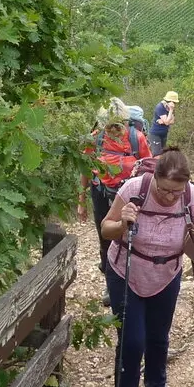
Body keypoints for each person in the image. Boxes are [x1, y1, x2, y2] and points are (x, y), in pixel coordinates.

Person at [100, 147, 194, 387]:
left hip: (167, 274)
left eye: (176, 191)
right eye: (164, 189)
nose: (169, 197)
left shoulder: (191, 196)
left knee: (158, 336)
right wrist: (123, 224)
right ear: (154, 177)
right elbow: (105, 229)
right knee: (132, 341)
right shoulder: (135, 189)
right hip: (126, 271)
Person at [78, 98, 152, 304]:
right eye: (109, 125)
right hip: (101, 192)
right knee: (105, 236)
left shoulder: (136, 138)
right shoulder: (95, 138)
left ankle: (134, 280)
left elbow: (148, 167)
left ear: (125, 121)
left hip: (129, 194)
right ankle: (111, 284)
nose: (113, 130)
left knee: (131, 236)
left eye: (118, 125)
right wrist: (81, 200)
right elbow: (85, 168)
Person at [149, 91, 179, 156]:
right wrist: (171, 111)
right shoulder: (160, 107)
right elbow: (167, 122)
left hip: (164, 134)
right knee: (157, 154)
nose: (174, 104)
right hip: (155, 134)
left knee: (163, 153)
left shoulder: (171, 108)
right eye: (173, 102)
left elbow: (172, 121)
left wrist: (163, 121)